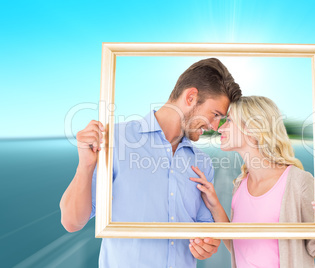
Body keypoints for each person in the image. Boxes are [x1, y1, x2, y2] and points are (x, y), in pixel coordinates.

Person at [59, 58, 242, 267]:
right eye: (215, 114)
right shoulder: (116, 140)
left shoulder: (203, 163)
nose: (216, 126)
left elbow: (204, 231)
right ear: (191, 97)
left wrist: (206, 244)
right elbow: (71, 222)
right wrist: (85, 165)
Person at [190, 96, 315, 268]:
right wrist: (214, 204)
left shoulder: (299, 183)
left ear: (253, 129)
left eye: (229, 121)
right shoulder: (240, 185)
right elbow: (239, 247)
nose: (220, 128)